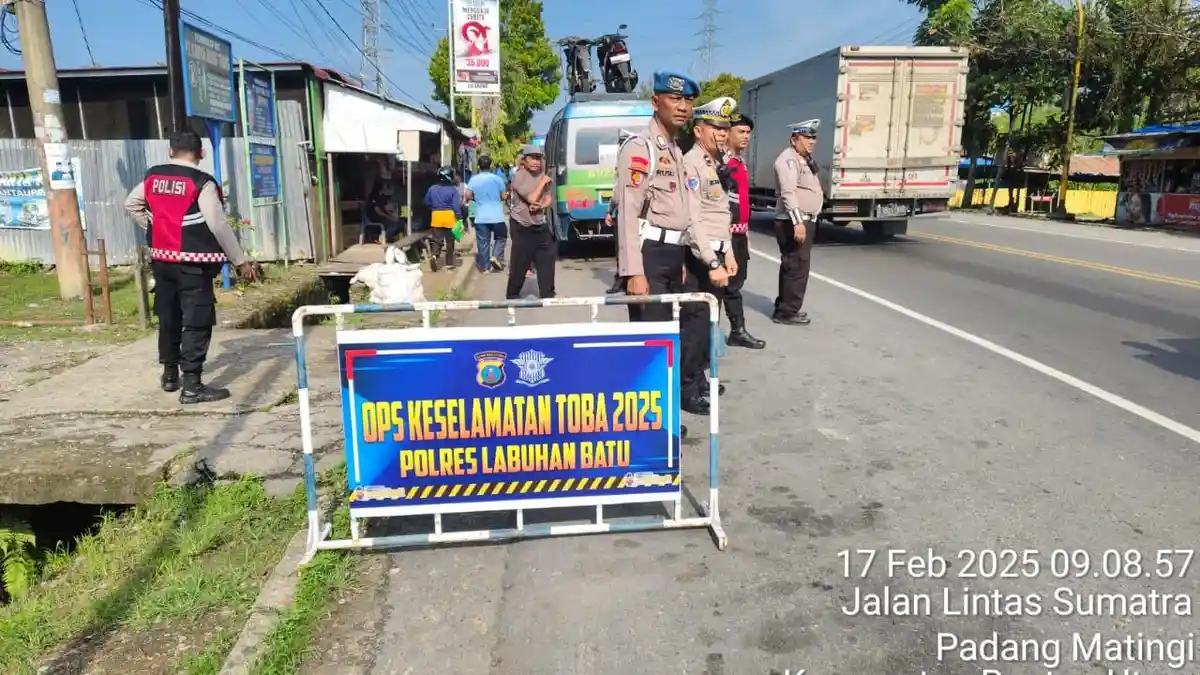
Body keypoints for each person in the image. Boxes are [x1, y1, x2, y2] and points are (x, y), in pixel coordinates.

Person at [614, 71, 728, 421]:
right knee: (650, 342)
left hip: (674, 255)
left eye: (688, 101)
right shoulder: (641, 147)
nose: (682, 107)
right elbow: (627, 213)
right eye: (674, 98)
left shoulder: (676, 152)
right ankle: (648, 422)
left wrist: (707, 259)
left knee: (669, 339)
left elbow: (690, 215)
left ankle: (662, 418)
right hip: (648, 255)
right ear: (655, 102)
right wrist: (633, 272)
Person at [124, 129, 258, 404]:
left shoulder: (153, 176)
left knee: (169, 316)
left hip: (162, 261)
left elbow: (131, 203)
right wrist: (239, 260)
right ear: (202, 153)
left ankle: (170, 375)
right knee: (196, 322)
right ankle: (192, 386)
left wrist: (154, 228)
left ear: (170, 151)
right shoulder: (201, 182)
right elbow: (217, 224)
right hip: (194, 265)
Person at [681, 96, 738, 409]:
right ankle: (687, 388)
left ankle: (699, 376)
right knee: (695, 322)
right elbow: (694, 219)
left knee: (707, 322)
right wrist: (713, 261)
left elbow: (719, 213)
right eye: (715, 127)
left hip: (716, 252)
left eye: (725, 128)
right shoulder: (691, 163)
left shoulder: (714, 164)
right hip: (698, 256)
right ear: (698, 130)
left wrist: (727, 251)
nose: (721, 134)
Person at [772, 119, 824, 325]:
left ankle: (786, 306)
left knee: (795, 265)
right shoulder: (788, 160)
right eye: (806, 137)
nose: (811, 142)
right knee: (796, 266)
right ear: (794, 140)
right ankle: (787, 311)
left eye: (813, 138)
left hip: (801, 219)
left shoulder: (802, 159)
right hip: (793, 221)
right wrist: (798, 222)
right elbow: (788, 192)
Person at [723, 113, 765, 348]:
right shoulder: (723, 162)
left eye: (748, 132)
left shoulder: (739, 161)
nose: (746, 136)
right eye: (741, 131)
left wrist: (745, 232)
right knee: (723, 285)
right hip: (724, 234)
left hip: (739, 233)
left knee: (735, 283)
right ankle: (710, 337)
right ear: (727, 132)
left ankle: (737, 331)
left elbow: (740, 202)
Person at [505, 144, 555, 299]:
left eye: (538, 159)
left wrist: (541, 205)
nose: (535, 162)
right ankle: (512, 294)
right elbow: (532, 197)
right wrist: (542, 182)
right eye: (531, 158)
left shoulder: (542, 174)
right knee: (520, 262)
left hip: (539, 223)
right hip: (521, 224)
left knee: (547, 257)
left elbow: (548, 198)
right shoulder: (519, 176)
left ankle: (548, 293)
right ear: (524, 160)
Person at [466, 155, 509, 272]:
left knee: (483, 243)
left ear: (479, 166)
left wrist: (476, 198)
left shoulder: (473, 179)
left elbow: (468, 195)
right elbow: (504, 196)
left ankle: (485, 268)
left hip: (481, 217)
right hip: (497, 217)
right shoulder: (497, 179)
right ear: (490, 165)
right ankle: (496, 256)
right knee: (502, 237)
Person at [423, 166, 461, 270]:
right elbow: (456, 206)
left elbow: (426, 202)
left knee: (437, 240)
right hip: (450, 217)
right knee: (450, 241)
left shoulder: (432, 188)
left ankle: (434, 256)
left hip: (436, 216)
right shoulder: (453, 190)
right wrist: (459, 218)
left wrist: (434, 208)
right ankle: (449, 263)